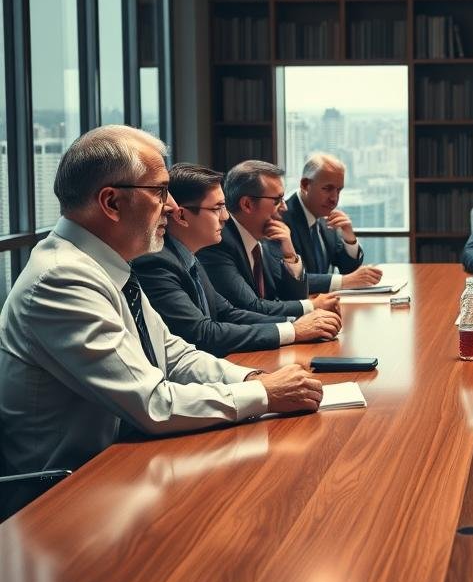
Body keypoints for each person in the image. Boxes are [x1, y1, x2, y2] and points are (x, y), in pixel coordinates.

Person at [0, 126, 324, 479]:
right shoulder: (62, 279)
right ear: (111, 202)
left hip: (119, 463)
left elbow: (172, 354)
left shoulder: (105, 264)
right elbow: (153, 404)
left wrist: (253, 377)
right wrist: (262, 394)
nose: (171, 206)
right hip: (63, 492)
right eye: (160, 191)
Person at [134, 163, 342, 356]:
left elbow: (228, 312)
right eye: (217, 208)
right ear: (181, 217)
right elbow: (202, 333)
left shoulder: (188, 255)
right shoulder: (157, 262)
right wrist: (294, 330)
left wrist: (296, 325)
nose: (225, 216)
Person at [198, 160, 340, 318]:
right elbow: (251, 307)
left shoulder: (265, 236)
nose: (284, 207)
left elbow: (291, 298)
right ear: (247, 204)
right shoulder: (219, 242)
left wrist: (290, 256)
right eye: (277, 200)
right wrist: (312, 305)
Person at [282, 153, 382, 294]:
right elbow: (288, 279)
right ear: (305, 185)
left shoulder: (324, 216)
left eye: (339, 190)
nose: (334, 199)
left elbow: (349, 271)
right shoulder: (282, 218)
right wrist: (344, 281)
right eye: (327, 189)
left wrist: (349, 238)